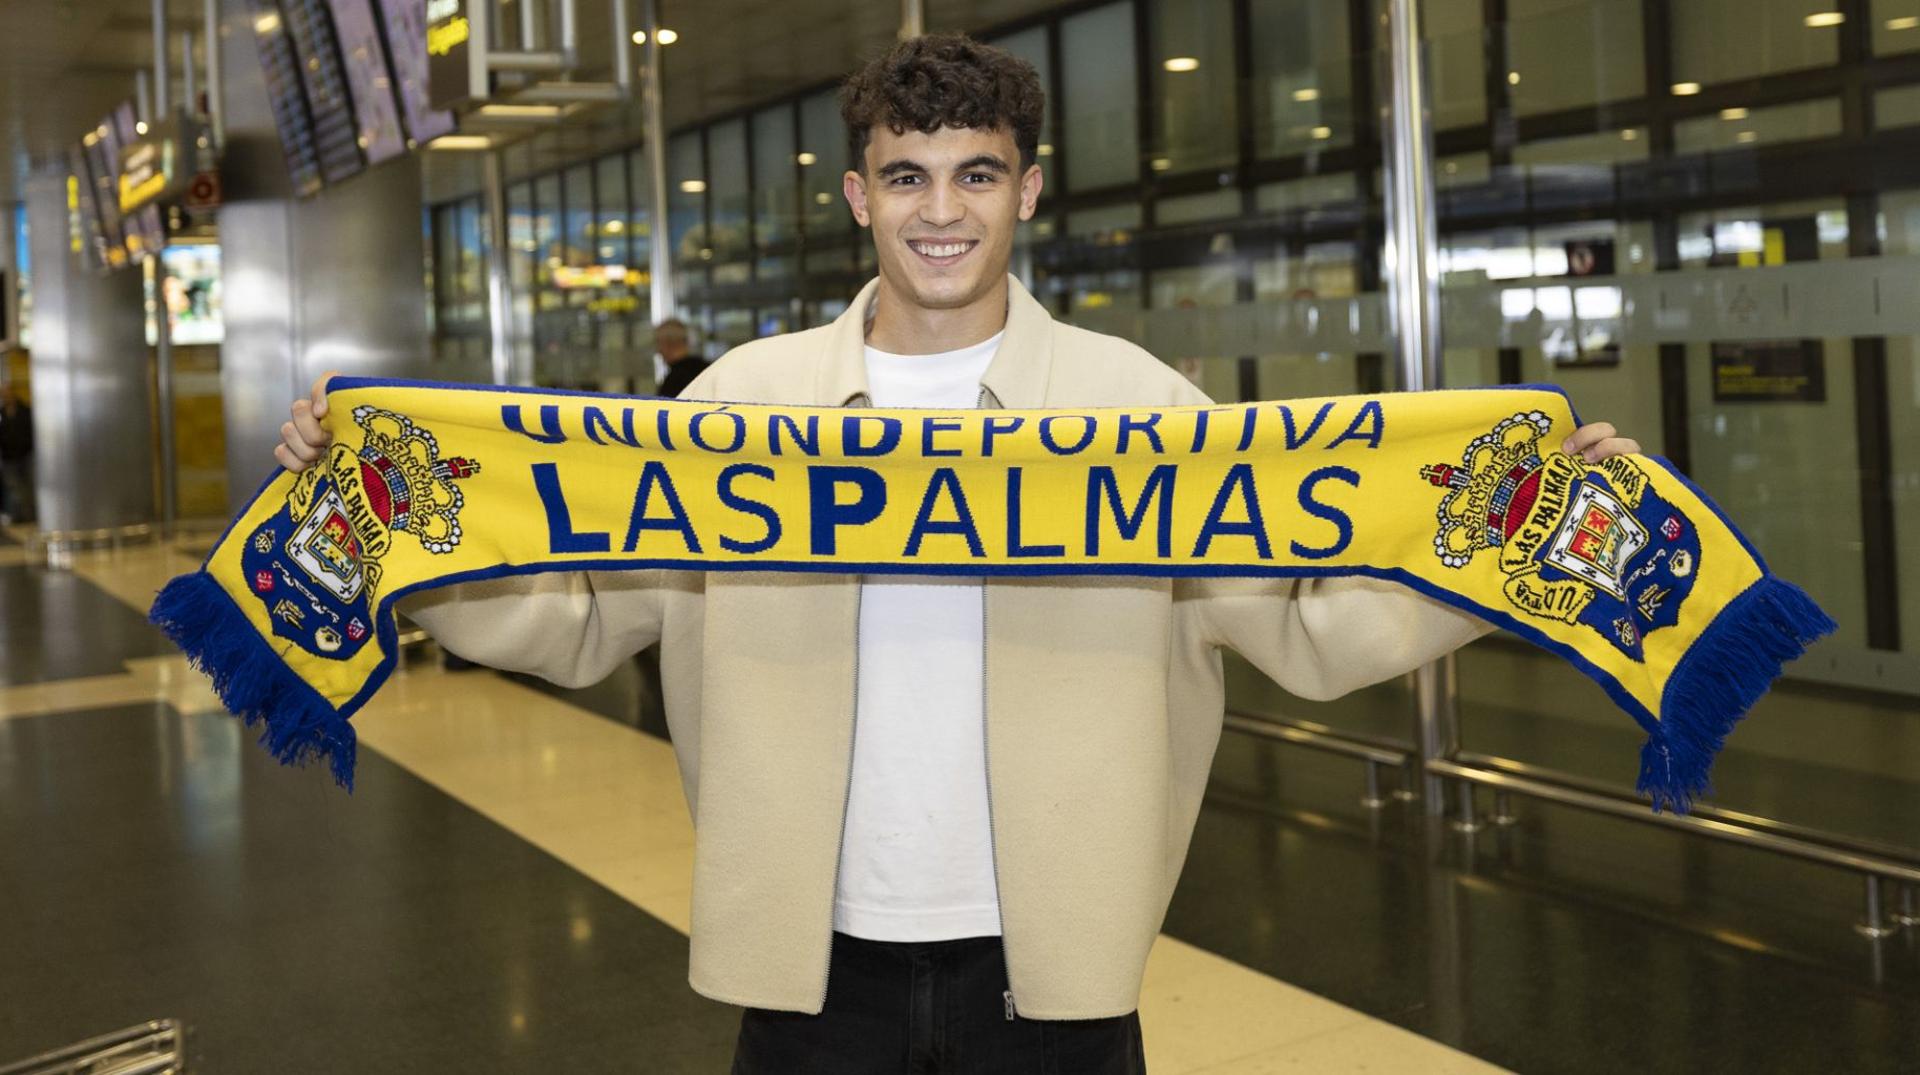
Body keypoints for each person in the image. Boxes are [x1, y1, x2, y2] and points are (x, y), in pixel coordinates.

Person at [276, 34, 1639, 1073]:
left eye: (976, 174)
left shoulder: (1137, 413)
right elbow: (576, 619)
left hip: (1052, 977)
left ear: (1027, 190)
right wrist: (402, 530)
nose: (943, 210)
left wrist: (1533, 540)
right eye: (909, 177)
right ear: (859, 196)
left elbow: (1306, 625)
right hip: (811, 976)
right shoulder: (741, 408)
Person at [0, 382, 33, 525]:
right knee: (14, 487)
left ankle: (28, 516)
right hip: (8, 457)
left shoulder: (25, 410)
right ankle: (19, 516)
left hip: (26, 455)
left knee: (27, 487)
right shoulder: (1, 413)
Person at [652, 317, 709, 399]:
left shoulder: (674, 380)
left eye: (658, 342)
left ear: (668, 343)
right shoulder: (707, 368)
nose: (658, 351)